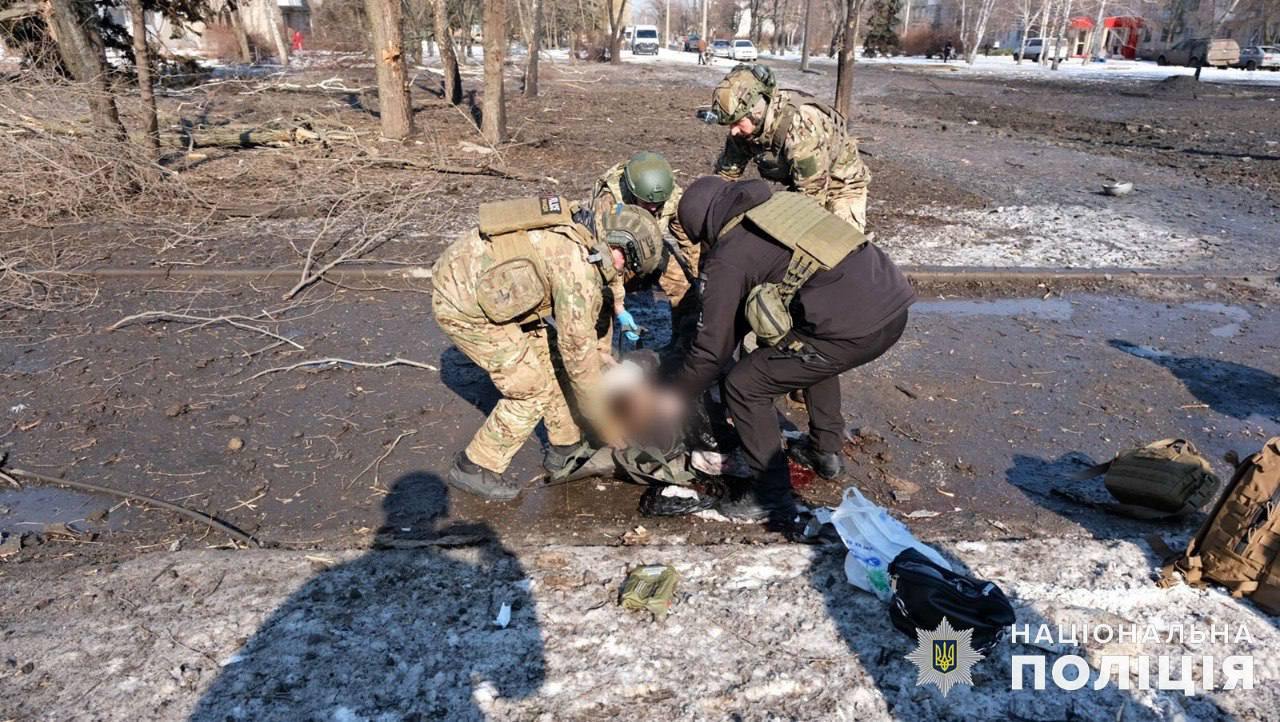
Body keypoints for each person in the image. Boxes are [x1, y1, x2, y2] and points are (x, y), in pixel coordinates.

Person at [671, 177, 915, 522]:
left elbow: (712, 351)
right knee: (806, 352)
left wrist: (677, 394)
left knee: (745, 385)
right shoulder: (780, 206)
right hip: (892, 306)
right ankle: (825, 451)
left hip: (852, 330)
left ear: (706, 226)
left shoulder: (728, 256)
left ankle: (769, 495)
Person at [432, 197, 664, 500]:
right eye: (629, 266)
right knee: (530, 390)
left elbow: (606, 285)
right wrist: (606, 425)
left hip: (490, 285)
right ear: (622, 250)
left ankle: (564, 447)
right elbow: (579, 362)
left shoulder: (594, 232)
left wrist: (612, 324)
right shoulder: (579, 270)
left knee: (551, 356)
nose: (626, 273)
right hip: (464, 304)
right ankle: (475, 465)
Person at [709, 64, 873, 233]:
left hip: (842, 187)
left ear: (757, 111)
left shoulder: (801, 127)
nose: (733, 131)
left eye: (737, 122)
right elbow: (725, 175)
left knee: (835, 243)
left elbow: (812, 196)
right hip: (803, 185)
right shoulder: (744, 129)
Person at [592, 151, 700, 361]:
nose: (653, 207)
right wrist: (619, 305)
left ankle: (682, 347)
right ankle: (602, 357)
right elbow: (604, 254)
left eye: (658, 204)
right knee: (602, 298)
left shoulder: (671, 197)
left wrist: (699, 279)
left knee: (685, 290)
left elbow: (688, 242)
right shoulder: (609, 201)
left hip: (651, 250)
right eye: (647, 203)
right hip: (615, 255)